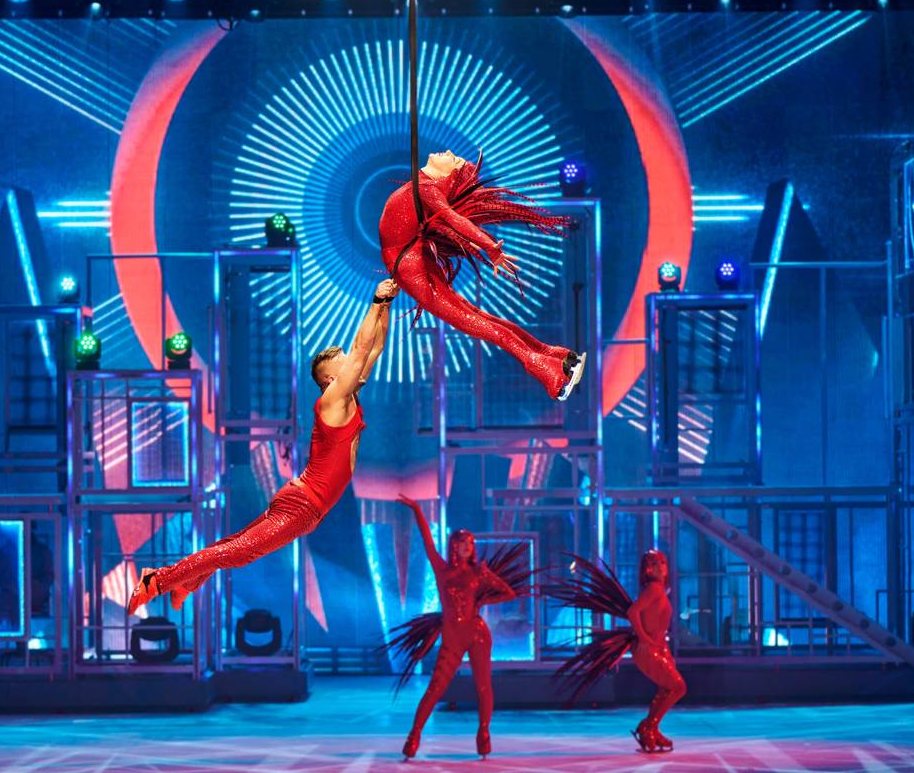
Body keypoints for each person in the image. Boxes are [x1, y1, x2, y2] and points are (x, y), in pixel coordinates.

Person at [126, 279, 398, 614]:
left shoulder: (348, 396)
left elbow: (373, 347)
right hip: (302, 506)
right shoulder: (333, 400)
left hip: (304, 503)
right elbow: (360, 349)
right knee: (239, 553)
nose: (353, 361)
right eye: (343, 361)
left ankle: (187, 582)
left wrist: (387, 303)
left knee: (235, 546)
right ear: (330, 379)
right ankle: (158, 580)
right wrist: (375, 300)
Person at [378, 150, 586, 400]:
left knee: (472, 321)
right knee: (474, 316)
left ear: (450, 174)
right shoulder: (424, 185)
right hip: (412, 257)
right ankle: (555, 355)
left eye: (453, 159)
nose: (448, 152)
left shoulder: (427, 188)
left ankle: (548, 371)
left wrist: (489, 246)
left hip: (409, 265)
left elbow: (453, 218)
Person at [384, 495, 526, 760]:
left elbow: (509, 593)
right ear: (454, 545)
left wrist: (482, 599)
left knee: (483, 686)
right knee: (435, 688)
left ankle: (484, 733)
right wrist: (417, 509)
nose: (468, 547)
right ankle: (414, 735)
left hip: (477, 633)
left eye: (471, 543)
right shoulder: (442, 570)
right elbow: (427, 543)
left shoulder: (478, 572)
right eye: (464, 543)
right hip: (452, 636)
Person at [549, 550, 686, 753]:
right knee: (678, 687)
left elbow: (655, 623)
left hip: (658, 648)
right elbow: (633, 611)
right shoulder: (654, 589)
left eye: (663, 563)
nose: (660, 567)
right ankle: (649, 727)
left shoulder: (657, 589)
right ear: (648, 569)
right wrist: (644, 638)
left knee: (668, 688)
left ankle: (650, 728)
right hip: (648, 649)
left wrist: (664, 650)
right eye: (655, 564)